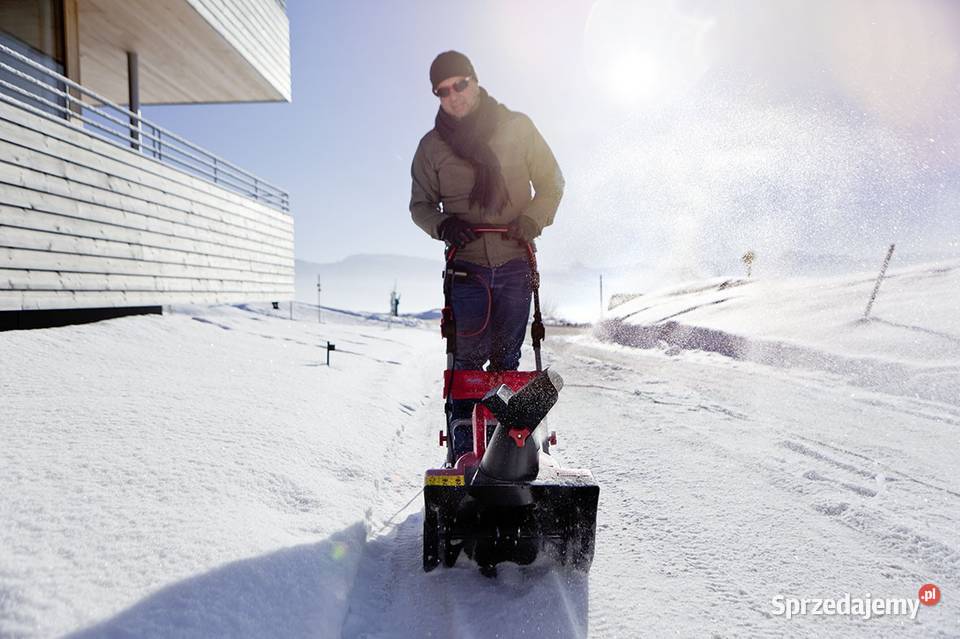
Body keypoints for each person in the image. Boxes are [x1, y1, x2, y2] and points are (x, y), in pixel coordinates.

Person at [409, 51, 564, 459]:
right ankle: (465, 455)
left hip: (515, 264)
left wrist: (531, 220)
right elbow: (420, 206)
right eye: (442, 91)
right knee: (467, 365)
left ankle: (507, 457)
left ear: (475, 81)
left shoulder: (518, 128)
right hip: (467, 271)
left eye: (459, 85)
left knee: (507, 362)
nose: (453, 96)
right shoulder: (431, 148)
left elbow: (552, 183)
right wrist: (444, 225)